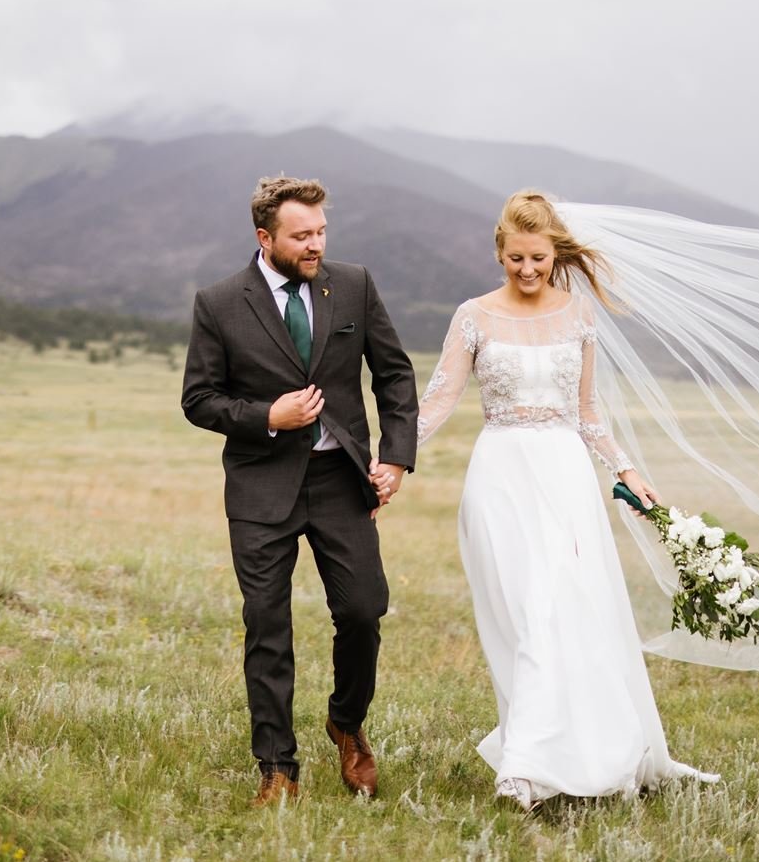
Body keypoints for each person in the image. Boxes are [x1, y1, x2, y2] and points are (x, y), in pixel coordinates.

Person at [415, 190, 720, 812]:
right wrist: (388, 457)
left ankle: (531, 765)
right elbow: (439, 400)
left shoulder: (579, 315)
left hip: (563, 477)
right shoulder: (473, 316)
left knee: (560, 612)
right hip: (499, 475)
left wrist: (627, 469)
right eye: (515, 259)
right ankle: (530, 761)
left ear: (555, 252)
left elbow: (586, 413)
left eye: (537, 259)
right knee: (522, 617)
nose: (527, 271)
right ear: (499, 251)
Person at [181, 176, 419, 807]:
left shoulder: (355, 284)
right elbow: (199, 400)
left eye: (320, 232)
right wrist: (267, 416)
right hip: (262, 486)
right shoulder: (219, 303)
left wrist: (395, 458)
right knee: (267, 624)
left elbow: (393, 374)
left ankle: (346, 721)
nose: (315, 245)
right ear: (266, 238)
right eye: (301, 235)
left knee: (365, 610)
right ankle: (277, 769)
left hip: (341, 480)